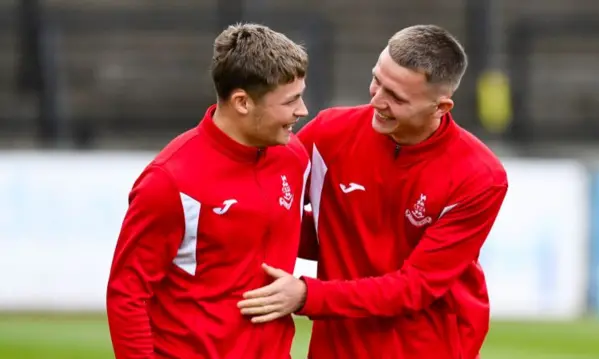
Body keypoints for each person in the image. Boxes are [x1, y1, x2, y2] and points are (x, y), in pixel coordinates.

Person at [238, 24, 508, 359]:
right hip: (336, 346)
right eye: (377, 80)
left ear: (441, 108)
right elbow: (277, 212)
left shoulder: (480, 177)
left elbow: (416, 286)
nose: (376, 100)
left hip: (427, 347)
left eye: (396, 97)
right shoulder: (328, 135)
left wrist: (307, 295)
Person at [106, 23, 311, 359]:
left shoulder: (293, 157)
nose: (302, 111)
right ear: (242, 102)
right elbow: (128, 292)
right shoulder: (169, 180)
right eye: (291, 100)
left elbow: (289, 229)